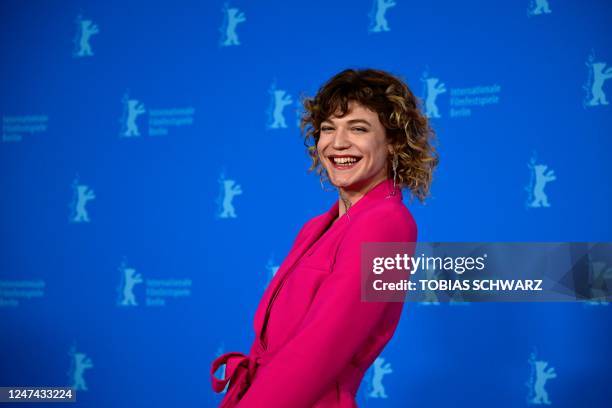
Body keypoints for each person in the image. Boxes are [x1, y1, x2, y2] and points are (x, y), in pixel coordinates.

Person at [210, 68, 438, 407]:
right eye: (328, 128)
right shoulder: (315, 227)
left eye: (358, 128)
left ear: (392, 142)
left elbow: (320, 349)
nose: (338, 142)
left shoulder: (388, 224)